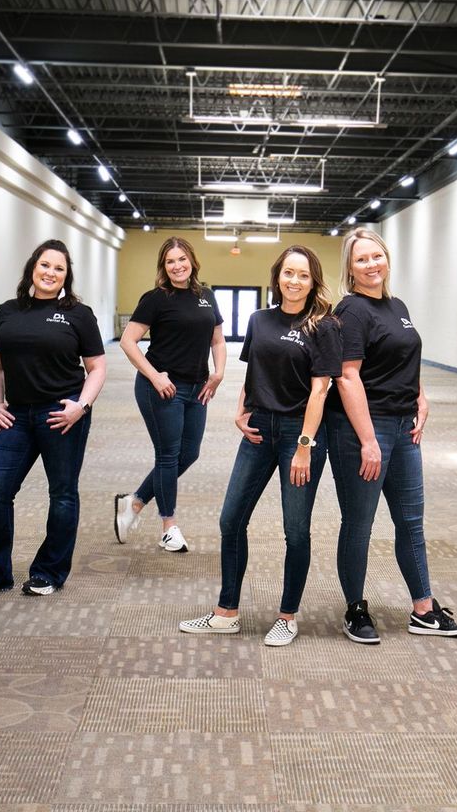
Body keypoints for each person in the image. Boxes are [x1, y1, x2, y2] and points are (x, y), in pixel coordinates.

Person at [179, 246, 341, 647]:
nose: (295, 281)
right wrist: (240, 411)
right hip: (258, 431)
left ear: (313, 280)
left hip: (299, 434)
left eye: (303, 275)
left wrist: (304, 445)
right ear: (278, 276)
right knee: (230, 520)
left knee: (295, 529)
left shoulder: (324, 325)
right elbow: (254, 372)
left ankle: (287, 616)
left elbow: (321, 390)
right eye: (288, 273)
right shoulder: (260, 319)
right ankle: (226, 612)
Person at [325, 228, 457, 643]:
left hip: (404, 426)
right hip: (362, 430)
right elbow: (347, 376)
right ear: (350, 269)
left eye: (377, 256)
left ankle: (423, 610)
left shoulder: (397, 305)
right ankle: (355, 609)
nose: (372, 264)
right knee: (359, 523)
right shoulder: (351, 311)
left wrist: (421, 396)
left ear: (387, 259)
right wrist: (369, 440)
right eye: (362, 259)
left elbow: (406, 356)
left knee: (411, 520)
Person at [0, 239, 107, 598]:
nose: (50, 273)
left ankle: (49, 572)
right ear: (32, 268)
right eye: (45, 265)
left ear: (66, 276)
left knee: (62, 494)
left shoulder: (78, 314)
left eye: (59, 268)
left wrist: (81, 406)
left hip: (62, 414)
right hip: (17, 415)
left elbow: (97, 367)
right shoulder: (8, 311)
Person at [117, 237, 227, 552]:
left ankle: (135, 503)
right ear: (164, 267)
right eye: (170, 261)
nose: (177, 266)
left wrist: (218, 373)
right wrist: (154, 375)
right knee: (167, 455)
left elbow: (217, 340)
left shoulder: (206, 296)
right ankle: (169, 526)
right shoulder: (156, 298)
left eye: (182, 259)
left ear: (191, 260)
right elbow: (128, 341)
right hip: (162, 388)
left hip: (198, 387)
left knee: (188, 454)